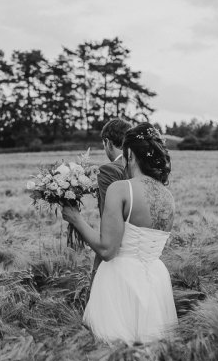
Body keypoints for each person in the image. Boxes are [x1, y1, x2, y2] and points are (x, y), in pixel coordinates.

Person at [62, 122, 177, 345]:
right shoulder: (168, 197)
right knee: (151, 352)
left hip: (121, 279)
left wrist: (75, 218)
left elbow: (107, 250)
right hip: (156, 280)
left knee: (112, 352)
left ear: (130, 154)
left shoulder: (122, 189)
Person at [92, 118, 133, 281]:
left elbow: (108, 215)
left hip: (115, 250)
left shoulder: (108, 170)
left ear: (107, 142)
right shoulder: (142, 168)